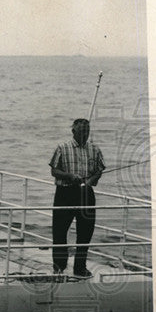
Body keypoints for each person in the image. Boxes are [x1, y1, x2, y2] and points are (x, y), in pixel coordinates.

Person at [49, 118, 105, 277]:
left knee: (85, 232)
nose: (85, 134)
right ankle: (59, 266)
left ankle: (80, 267)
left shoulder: (94, 149)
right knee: (60, 232)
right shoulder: (62, 147)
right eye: (81, 131)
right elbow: (54, 171)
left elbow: (99, 170)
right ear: (73, 131)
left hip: (86, 194)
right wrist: (69, 176)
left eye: (87, 131)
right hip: (65, 193)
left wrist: (90, 182)